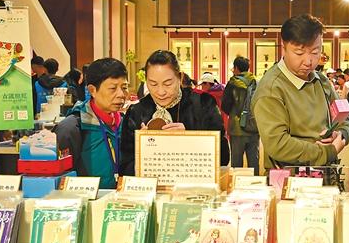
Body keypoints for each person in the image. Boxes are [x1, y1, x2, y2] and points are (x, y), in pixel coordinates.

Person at [251, 14, 349, 169]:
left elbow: (346, 118)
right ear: (284, 48)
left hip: (325, 173)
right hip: (290, 178)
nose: (308, 61)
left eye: (315, 52)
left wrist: (341, 134)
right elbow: (278, 144)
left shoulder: (322, 81)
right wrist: (327, 152)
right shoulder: (271, 89)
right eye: (299, 53)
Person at [120, 50, 230, 176]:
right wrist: (144, 149)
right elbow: (125, 167)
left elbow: (223, 157)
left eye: (168, 84)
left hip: (192, 185)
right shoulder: (136, 112)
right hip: (153, 186)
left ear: (180, 77)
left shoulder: (203, 104)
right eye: (153, 84)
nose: (161, 92)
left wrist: (190, 138)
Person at [55, 58, 129, 189]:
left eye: (124, 88)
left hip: (121, 199)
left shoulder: (127, 123)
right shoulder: (71, 128)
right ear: (92, 90)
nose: (121, 94)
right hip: (87, 199)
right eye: (113, 88)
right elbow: (60, 179)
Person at [221, 56, 259, 174]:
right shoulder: (256, 82)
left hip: (237, 129)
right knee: (254, 161)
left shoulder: (232, 83)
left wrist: (235, 114)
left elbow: (225, 105)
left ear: (236, 68)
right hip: (254, 127)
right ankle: (256, 183)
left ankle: (237, 183)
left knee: (237, 163)